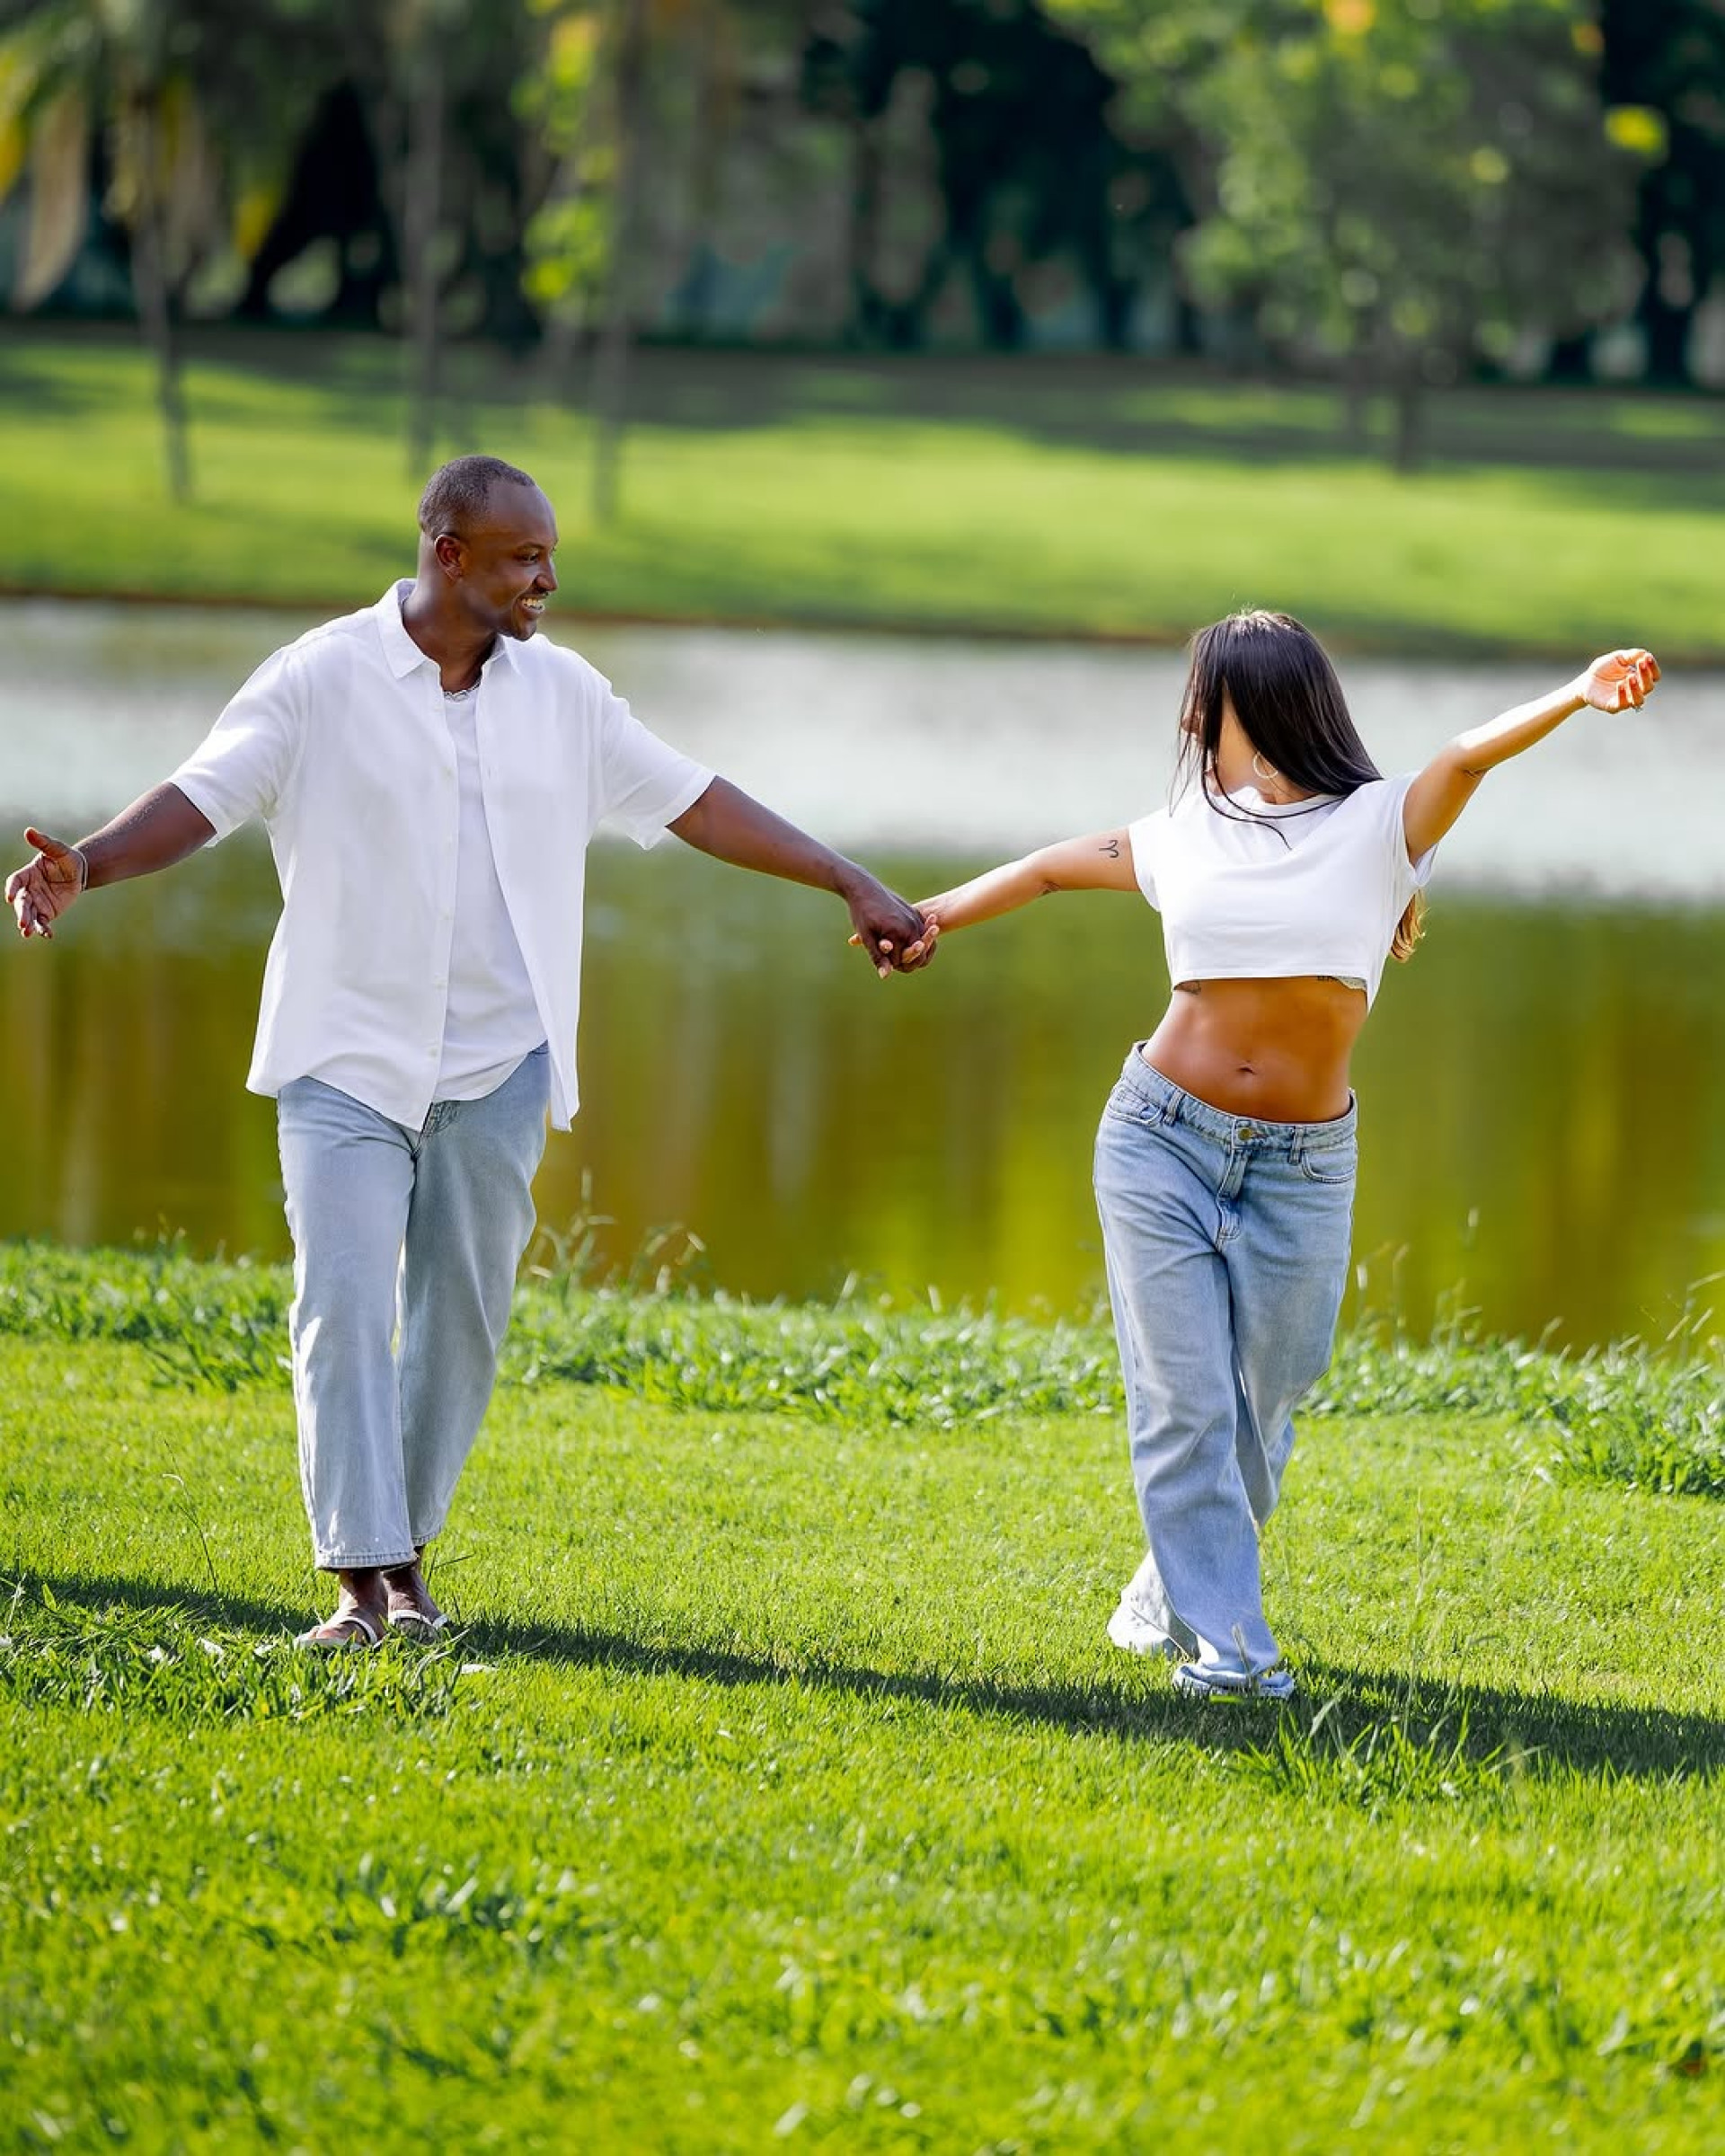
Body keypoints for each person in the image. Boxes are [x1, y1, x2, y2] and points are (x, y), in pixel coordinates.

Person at [6, 454, 932, 1649]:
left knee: (459, 1317)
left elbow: (698, 800)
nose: (546, 579)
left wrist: (847, 880)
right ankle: (359, 1584)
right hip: (344, 1054)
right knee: (342, 1303)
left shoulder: (568, 697)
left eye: (549, 558)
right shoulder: (321, 677)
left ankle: (408, 1563)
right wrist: (90, 863)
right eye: (522, 558)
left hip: (501, 1061)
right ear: (448, 554)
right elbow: (204, 795)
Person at [903, 611, 1659, 1700]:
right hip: (1160, 1137)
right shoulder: (1181, 832)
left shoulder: (1380, 825)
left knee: (1268, 1401)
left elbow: (1466, 753)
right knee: (1183, 1404)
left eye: (1199, 697)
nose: (1185, 720)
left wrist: (1577, 693)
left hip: (1302, 1165)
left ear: (1248, 704)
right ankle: (1231, 1655)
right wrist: (926, 915)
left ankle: (1165, 1594)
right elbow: (1046, 871)